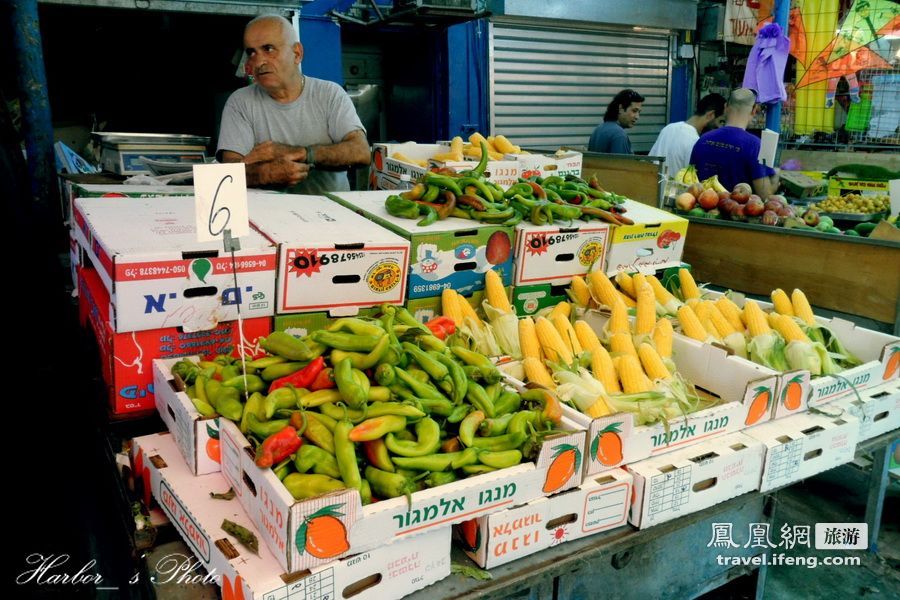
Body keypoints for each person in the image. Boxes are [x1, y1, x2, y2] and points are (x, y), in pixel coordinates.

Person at [217, 15, 370, 194]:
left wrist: (301, 154)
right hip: (267, 216)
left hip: (330, 215)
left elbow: (361, 152)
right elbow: (228, 173)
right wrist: (265, 174)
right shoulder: (240, 102)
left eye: (268, 49)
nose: (258, 62)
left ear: (297, 54)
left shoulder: (329, 94)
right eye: (251, 52)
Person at [688, 88, 778, 198]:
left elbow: (690, 181)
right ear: (754, 110)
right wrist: (776, 178)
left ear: (725, 107)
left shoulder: (702, 139)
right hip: (737, 213)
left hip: (699, 210)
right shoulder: (756, 145)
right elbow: (765, 195)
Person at [649, 93, 726, 176]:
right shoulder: (696, 142)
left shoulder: (668, 128)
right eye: (721, 121)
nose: (721, 127)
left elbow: (650, 161)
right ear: (710, 115)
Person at [587, 89, 644, 154]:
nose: (637, 117)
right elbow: (622, 163)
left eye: (639, 112)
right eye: (634, 111)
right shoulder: (619, 134)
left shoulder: (599, 128)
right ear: (621, 108)